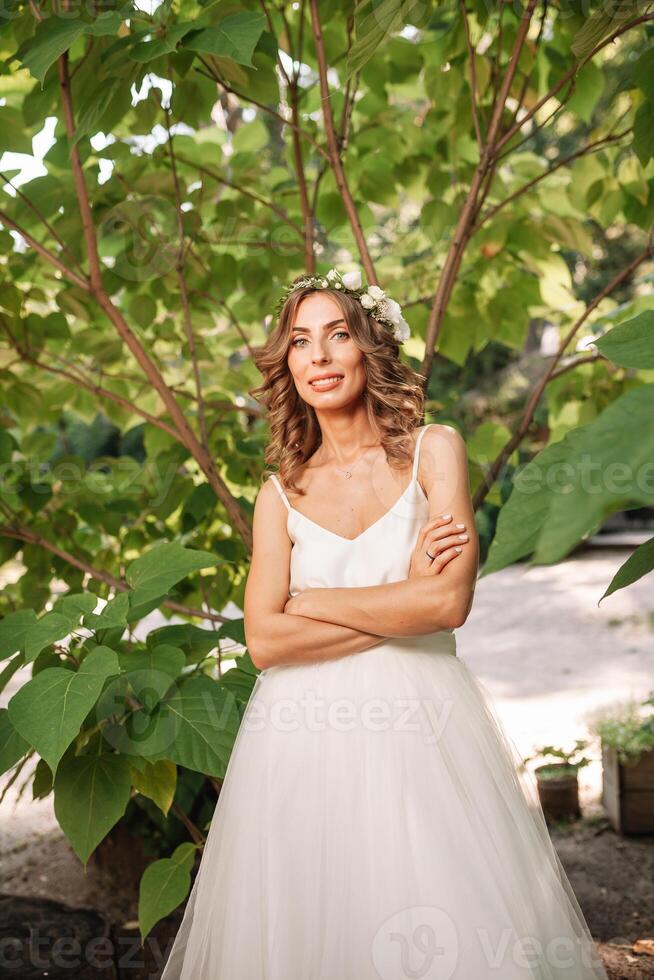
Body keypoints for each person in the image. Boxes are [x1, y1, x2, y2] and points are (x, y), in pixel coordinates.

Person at [160, 268, 608, 979]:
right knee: (311, 926)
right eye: (301, 342)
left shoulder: (437, 451)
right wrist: (400, 596)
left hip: (424, 724)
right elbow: (265, 642)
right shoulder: (279, 496)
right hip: (300, 739)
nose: (320, 356)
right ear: (289, 366)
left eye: (338, 334)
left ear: (370, 346)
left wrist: (312, 604)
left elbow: (446, 605)